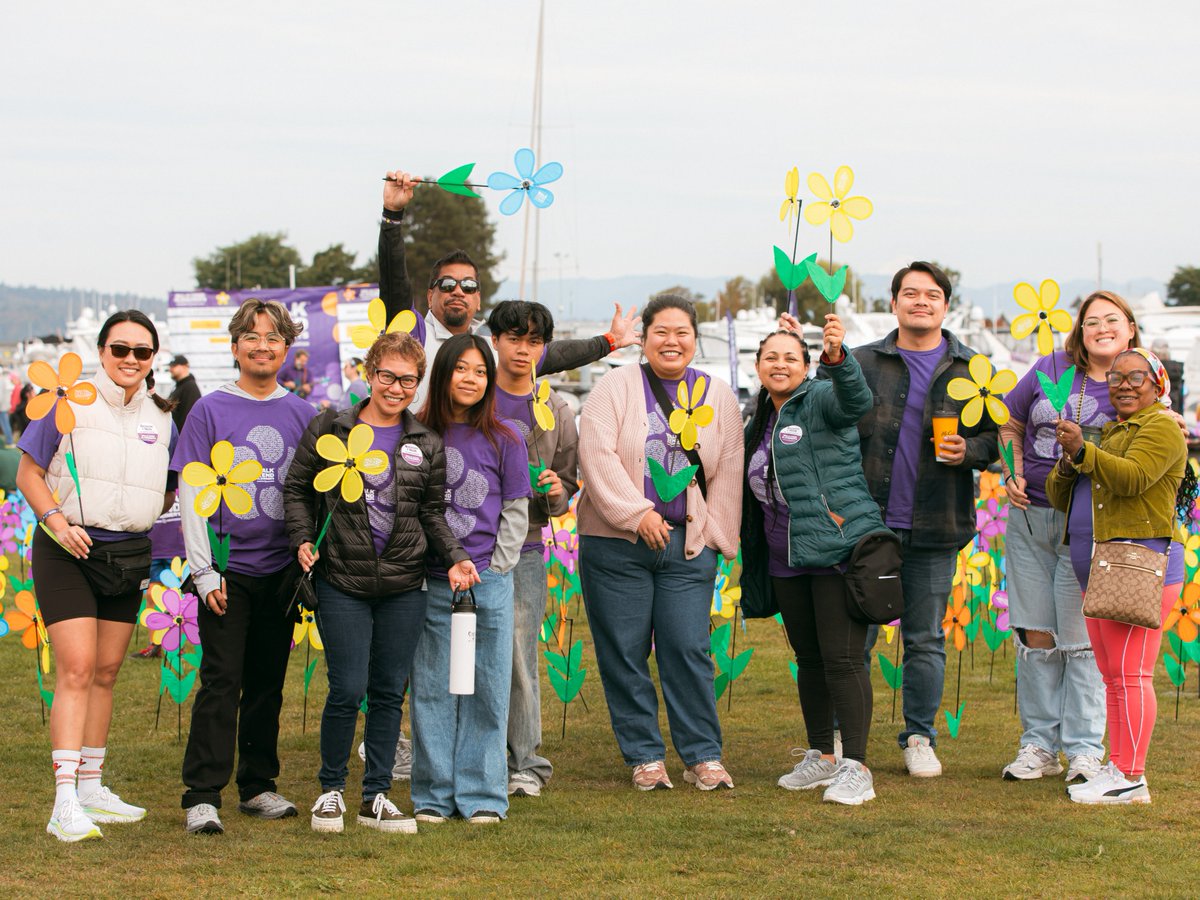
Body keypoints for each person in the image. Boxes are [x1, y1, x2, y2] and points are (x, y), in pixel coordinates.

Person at [284, 331, 477, 834]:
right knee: (347, 689)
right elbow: (297, 489)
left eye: (408, 381)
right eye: (388, 376)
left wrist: (455, 556)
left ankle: (376, 797)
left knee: (389, 692)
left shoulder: (426, 442)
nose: (396, 388)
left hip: (403, 587)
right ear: (370, 374)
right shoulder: (331, 427)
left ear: (418, 384)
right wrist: (302, 538)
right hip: (342, 581)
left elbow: (431, 513)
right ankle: (330, 791)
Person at [17, 310, 177, 841]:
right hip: (67, 550)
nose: (131, 359)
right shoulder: (65, 403)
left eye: (142, 351)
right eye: (120, 349)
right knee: (78, 669)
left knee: (107, 672)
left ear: (153, 358)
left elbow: (169, 487)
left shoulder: (163, 416)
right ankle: (64, 801)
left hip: (127, 555)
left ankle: (91, 787)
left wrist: (138, 515)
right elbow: (29, 473)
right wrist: (56, 521)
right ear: (102, 352)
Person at [577, 294, 743, 791]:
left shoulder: (718, 395)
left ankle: (702, 754)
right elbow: (596, 453)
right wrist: (637, 514)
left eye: (682, 332)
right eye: (661, 332)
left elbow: (728, 470)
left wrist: (715, 537)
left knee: (687, 647)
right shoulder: (614, 386)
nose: (672, 341)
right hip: (615, 546)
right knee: (624, 651)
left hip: (687, 547)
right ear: (644, 338)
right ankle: (644, 755)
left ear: (695, 338)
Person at [850, 261, 999, 777]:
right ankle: (846, 738)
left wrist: (971, 450)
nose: (921, 301)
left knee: (925, 639)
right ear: (893, 303)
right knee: (857, 638)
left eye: (931, 294)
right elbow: (830, 424)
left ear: (945, 305)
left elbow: (1000, 437)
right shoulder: (862, 362)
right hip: (867, 525)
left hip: (936, 523)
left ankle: (919, 737)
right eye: (910, 293)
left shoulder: (973, 370)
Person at [172, 298, 314, 834]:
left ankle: (257, 786)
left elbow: (313, 495)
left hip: (281, 573)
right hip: (226, 574)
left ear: (286, 347)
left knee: (266, 683)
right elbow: (191, 494)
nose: (262, 345)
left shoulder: (304, 415)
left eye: (273, 336)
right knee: (220, 680)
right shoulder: (209, 410)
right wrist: (204, 571)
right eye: (252, 336)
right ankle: (202, 793)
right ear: (235, 347)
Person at [998, 291, 1142, 783]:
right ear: (1080, 330)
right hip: (1030, 519)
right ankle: (1038, 745)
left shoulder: (1136, 381)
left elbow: (1155, 437)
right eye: (1091, 321)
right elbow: (1010, 422)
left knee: (1081, 641)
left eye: (1112, 320)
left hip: (1090, 525)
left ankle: (1083, 749)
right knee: (1035, 634)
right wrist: (1012, 471)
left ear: (1129, 329)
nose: (1101, 328)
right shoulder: (1051, 366)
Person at [740, 315, 884, 805]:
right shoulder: (760, 417)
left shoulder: (820, 397)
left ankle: (857, 767)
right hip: (786, 556)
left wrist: (837, 359)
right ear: (758, 366)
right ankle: (822, 755)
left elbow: (856, 402)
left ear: (806, 366)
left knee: (843, 660)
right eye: (771, 357)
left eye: (790, 357)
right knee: (810, 659)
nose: (779, 365)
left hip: (835, 550)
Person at [1047, 348, 1193, 804]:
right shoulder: (1113, 431)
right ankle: (1119, 766)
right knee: (1113, 676)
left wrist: (1083, 451)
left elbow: (1133, 478)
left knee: (1131, 673)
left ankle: (1131, 776)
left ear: (1157, 384)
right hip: (1103, 568)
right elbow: (1059, 496)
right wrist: (1070, 460)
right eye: (1116, 377)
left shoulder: (1161, 427)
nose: (1125, 385)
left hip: (1140, 565)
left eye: (1136, 377)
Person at [376, 169, 639, 407]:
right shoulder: (412, 334)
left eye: (468, 286)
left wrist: (610, 340)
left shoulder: (491, 345)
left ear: (478, 299)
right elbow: (394, 282)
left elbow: (555, 355)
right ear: (430, 295)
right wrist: (392, 216)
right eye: (447, 284)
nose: (458, 291)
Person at [408, 333, 530, 824]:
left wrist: (495, 568)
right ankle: (433, 794)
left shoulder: (506, 438)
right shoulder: (415, 434)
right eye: (462, 368)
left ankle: (482, 793)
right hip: (430, 581)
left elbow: (516, 510)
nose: (471, 379)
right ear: (443, 373)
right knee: (432, 687)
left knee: (488, 687)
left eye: (481, 371)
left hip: (488, 581)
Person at [485, 300, 580, 799]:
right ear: (495, 341)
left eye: (534, 341)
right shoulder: (474, 394)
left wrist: (556, 491)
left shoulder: (555, 408)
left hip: (524, 548)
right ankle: (477, 757)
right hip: (466, 548)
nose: (523, 350)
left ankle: (525, 762)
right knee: (464, 651)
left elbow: (566, 489)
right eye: (514, 338)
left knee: (519, 653)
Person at [167, 355, 202, 431]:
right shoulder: (179, 386)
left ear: (185, 366)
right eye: (170, 366)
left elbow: (188, 419)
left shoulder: (190, 387)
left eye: (174, 366)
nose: (170, 369)